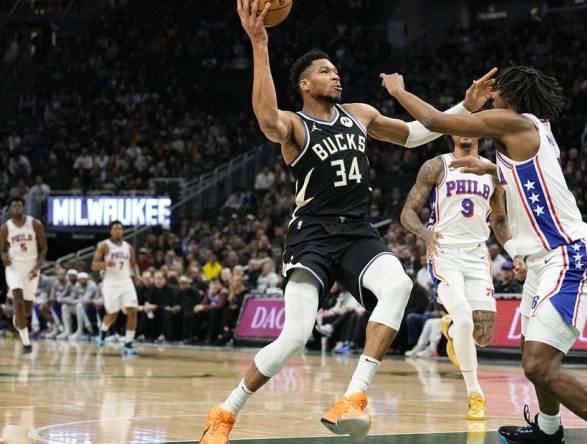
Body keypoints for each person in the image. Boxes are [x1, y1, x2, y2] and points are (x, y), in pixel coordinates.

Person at [200, 1, 495, 441]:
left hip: (357, 230)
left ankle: (353, 397)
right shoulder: (295, 125)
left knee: (397, 286)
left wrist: (462, 107)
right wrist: (260, 43)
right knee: (295, 337)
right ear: (304, 83)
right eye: (324, 70)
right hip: (313, 234)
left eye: (335, 69)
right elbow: (265, 119)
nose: (334, 74)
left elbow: (415, 134)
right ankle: (225, 412)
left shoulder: (360, 114)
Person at [381, 65, 587, 443]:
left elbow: (436, 121)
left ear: (512, 95)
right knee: (532, 355)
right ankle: (548, 430)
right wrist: (491, 167)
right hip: (541, 260)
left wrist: (397, 90)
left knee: (540, 365)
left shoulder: (512, 122)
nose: (493, 96)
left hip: (566, 255)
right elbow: (531, 175)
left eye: (498, 91)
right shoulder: (536, 128)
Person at [400, 135, 511, 420]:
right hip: (445, 251)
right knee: (464, 317)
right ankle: (475, 394)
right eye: (459, 127)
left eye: (470, 128)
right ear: (451, 133)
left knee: (482, 337)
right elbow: (407, 212)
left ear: (478, 133)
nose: (464, 133)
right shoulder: (436, 166)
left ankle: (448, 329)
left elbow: (499, 219)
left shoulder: (490, 170)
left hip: (477, 255)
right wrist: (426, 234)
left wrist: (514, 252)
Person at [0, 196, 47, 354]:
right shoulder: (5, 228)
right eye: (14, 205)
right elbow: (2, 249)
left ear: (24, 207)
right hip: (14, 268)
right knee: (18, 301)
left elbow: (43, 248)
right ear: (9, 209)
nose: (17, 208)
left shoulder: (35, 224)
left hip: (32, 268)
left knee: (26, 311)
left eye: (20, 205)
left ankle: (18, 320)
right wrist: (4, 257)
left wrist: (37, 267)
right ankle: (26, 343)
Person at [92, 221, 141, 358]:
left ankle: (128, 344)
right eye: (115, 228)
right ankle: (103, 332)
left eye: (120, 228)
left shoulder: (128, 247)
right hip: (110, 283)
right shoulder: (104, 246)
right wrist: (106, 264)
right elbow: (94, 265)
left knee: (132, 310)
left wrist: (137, 276)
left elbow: (133, 264)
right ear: (110, 231)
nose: (118, 230)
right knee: (113, 314)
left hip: (126, 281)